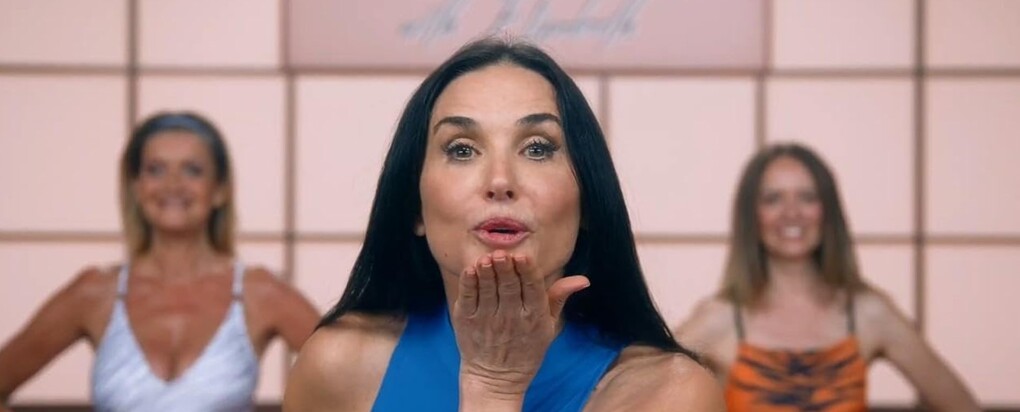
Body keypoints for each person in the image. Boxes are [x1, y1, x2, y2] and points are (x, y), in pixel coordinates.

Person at [283, 38, 723, 411]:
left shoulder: (669, 394)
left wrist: (495, 386)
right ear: (414, 207)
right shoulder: (338, 367)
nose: (500, 181)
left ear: (588, 202)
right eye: (461, 149)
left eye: (537, 148)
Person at [0, 112, 320, 412]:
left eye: (192, 170)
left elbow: (347, 383)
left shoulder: (259, 294)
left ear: (220, 190)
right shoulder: (95, 294)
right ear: (136, 188)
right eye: (155, 170)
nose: (173, 184)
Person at [674, 143, 980, 411]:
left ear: (828, 211)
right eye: (773, 199)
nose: (791, 212)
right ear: (751, 215)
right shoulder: (719, 318)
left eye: (807, 197)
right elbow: (649, 386)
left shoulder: (868, 313)